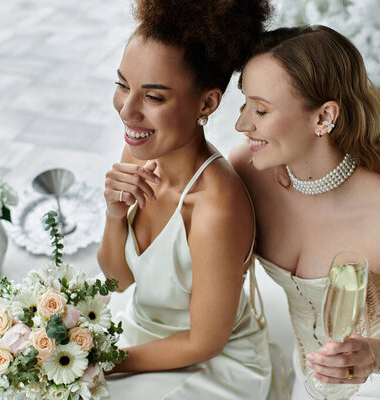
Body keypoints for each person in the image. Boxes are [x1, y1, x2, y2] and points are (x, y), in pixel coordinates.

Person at [230, 26, 380, 399]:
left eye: (260, 110)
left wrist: (371, 355)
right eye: (244, 104)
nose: (242, 124)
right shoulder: (248, 170)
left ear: (324, 117)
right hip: (317, 369)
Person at [97, 1, 273, 399]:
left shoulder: (214, 208)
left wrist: (105, 361)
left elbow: (203, 343)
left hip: (211, 365)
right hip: (142, 334)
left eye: (153, 98)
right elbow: (118, 280)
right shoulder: (140, 154)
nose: (127, 110)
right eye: (123, 84)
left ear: (207, 104)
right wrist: (114, 215)